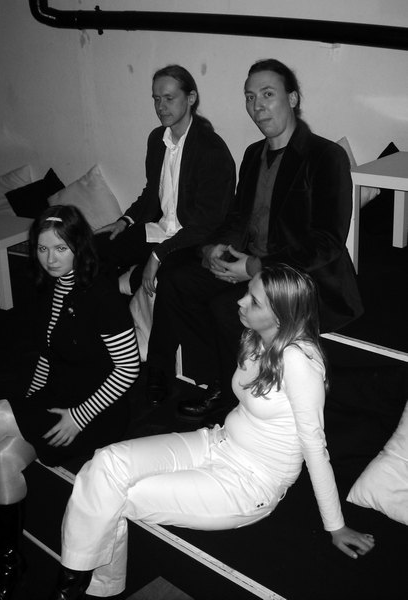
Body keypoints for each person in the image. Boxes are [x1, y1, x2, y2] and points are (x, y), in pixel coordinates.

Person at [49, 263, 375, 600]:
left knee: (114, 496)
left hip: (250, 482)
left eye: (254, 301)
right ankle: (80, 581)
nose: (240, 301)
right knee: (105, 463)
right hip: (217, 442)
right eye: (247, 292)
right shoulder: (256, 338)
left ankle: (77, 588)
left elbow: (315, 448)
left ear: (281, 316)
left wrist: (336, 526)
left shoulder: (300, 362)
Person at [0, 205, 140, 600]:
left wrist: (79, 417)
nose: (50, 259)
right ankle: (10, 562)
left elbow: (128, 368)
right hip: (61, 394)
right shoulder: (54, 285)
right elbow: (49, 355)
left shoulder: (101, 294)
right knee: (3, 456)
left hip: (97, 410)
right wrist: (30, 403)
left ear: (79, 247)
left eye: (60, 249)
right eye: (42, 249)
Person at [150, 58, 363, 420]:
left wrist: (255, 267)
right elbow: (238, 217)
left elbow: (327, 241)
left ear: (292, 98)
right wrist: (214, 247)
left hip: (301, 277)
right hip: (250, 261)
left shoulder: (325, 156)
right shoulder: (253, 154)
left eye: (267, 94)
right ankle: (216, 378)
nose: (257, 106)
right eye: (250, 97)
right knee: (175, 277)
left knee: (226, 307)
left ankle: (235, 398)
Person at [93, 64, 236, 403]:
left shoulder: (212, 150)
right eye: (156, 99)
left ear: (191, 98)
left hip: (191, 241)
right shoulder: (157, 140)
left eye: (169, 98)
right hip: (159, 230)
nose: (161, 106)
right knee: (97, 249)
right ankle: (111, 339)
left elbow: (207, 222)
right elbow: (151, 195)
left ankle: (157, 368)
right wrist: (125, 221)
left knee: (169, 277)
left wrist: (158, 255)